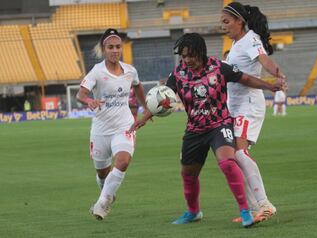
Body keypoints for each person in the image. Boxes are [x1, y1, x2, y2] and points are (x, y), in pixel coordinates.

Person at [130, 33, 284, 227]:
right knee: (188, 173)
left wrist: (270, 86)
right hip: (195, 130)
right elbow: (163, 99)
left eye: (191, 55)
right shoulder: (178, 74)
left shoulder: (219, 67)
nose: (187, 60)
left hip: (219, 125)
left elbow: (245, 78)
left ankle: (246, 211)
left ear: (201, 52)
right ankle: (193, 212)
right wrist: (143, 118)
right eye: (183, 56)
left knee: (228, 162)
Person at [221, 2, 287, 222]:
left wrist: (278, 75)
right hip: (234, 106)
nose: (223, 26)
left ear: (240, 21)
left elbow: (264, 59)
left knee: (239, 153)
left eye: (226, 21)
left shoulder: (250, 39)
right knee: (231, 158)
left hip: (248, 105)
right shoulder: (236, 46)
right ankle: (251, 209)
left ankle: (264, 204)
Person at [76, 28, 147, 220]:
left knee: (123, 161)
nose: (114, 50)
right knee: (102, 174)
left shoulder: (130, 71)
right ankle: (107, 193)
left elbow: (138, 86)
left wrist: (146, 107)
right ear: (104, 49)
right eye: (110, 47)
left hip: (124, 126)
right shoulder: (97, 72)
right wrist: (89, 101)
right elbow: (80, 93)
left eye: (117, 47)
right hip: (100, 130)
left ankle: (101, 204)